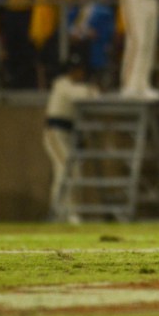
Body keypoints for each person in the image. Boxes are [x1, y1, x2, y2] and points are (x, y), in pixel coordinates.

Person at [43, 53, 99, 221]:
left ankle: (71, 212)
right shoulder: (62, 84)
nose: (77, 73)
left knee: (74, 171)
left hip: (69, 134)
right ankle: (60, 213)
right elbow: (87, 94)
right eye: (74, 70)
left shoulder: (74, 86)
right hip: (55, 133)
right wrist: (93, 89)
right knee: (64, 169)